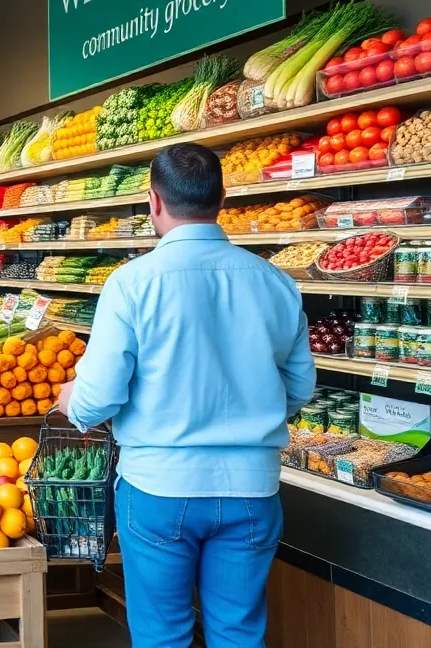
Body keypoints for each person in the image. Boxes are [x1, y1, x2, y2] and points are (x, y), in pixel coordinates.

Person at [59, 142, 316, 648]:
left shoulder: (131, 283)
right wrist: (253, 411)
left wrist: (73, 400)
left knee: (163, 635)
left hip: (159, 486)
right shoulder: (276, 282)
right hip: (252, 489)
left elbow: (98, 397)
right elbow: (299, 387)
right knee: (239, 634)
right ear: (222, 198)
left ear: (153, 201)